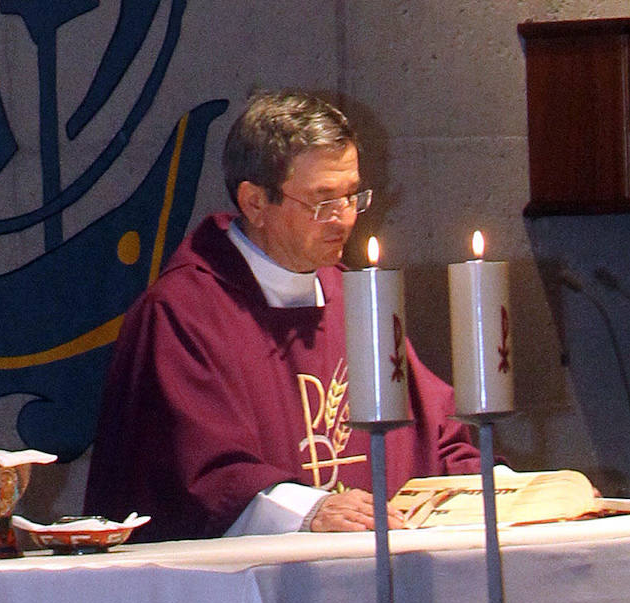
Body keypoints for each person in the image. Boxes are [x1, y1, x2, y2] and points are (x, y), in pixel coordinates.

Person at [83, 90, 482, 541]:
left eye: (352, 197)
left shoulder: (353, 297)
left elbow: (435, 434)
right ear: (254, 202)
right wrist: (311, 511)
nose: (344, 220)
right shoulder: (183, 314)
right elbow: (199, 475)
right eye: (322, 201)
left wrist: (500, 488)